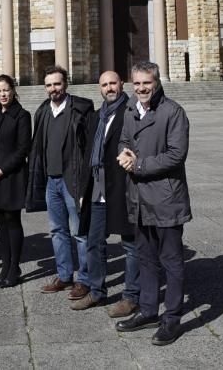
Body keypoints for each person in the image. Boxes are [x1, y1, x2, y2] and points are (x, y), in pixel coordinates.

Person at [116, 61, 192, 347]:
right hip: (138, 199)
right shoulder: (129, 110)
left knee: (171, 262)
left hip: (166, 200)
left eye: (146, 83)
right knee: (145, 258)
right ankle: (148, 310)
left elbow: (176, 155)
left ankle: (171, 319)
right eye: (136, 83)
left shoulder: (173, 112)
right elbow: (124, 139)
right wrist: (123, 153)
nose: (141, 88)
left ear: (157, 82)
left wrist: (139, 165)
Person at [72, 71, 140, 316]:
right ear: (99, 88)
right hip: (97, 187)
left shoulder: (130, 112)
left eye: (113, 83)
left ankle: (132, 296)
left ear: (122, 84)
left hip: (122, 188)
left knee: (130, 245)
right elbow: (88, 153)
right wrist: (83, 189)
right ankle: (97, 291)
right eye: (104, 85)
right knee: (94, 241)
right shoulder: (97, 116)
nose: (109, 88)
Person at [26, 65, 94, 300]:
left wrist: (87, 184)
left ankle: (84, 280)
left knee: (79, 232)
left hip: (72, 181)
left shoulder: (82, 109)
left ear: (65, 84)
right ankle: (65, 276)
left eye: (57, 83)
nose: (53, 88)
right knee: (57, 231)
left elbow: (89, 150)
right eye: (49, 85)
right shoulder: (43, 111)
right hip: (51, 181)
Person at [0, 74, 31, 288]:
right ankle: (5, 266)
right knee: (0, 222)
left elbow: (23, 149)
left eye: (6, 90)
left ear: (13, 90)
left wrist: (2, 169)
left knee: (12, 221)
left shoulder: (22, 116)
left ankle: (14, 269)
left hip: (11, 177)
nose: (3, 94)